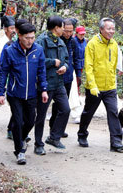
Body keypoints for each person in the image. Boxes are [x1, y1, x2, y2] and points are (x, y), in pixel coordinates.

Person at [0, 22, 49, 165]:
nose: (30, 41)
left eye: (32, 38)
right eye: (27, 38)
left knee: (31, 120)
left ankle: (20, 137)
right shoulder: (10, 50)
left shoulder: (38, 50)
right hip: (15, 94)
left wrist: (44, 89)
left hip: (32, 93)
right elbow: (3, 72)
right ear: (19, 36)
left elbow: (41, 71)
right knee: (18, 121)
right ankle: (20, 151)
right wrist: (1, 92)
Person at [77, 18, 123, 153]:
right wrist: (92, 85)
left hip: (110, 86)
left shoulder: (114, 44)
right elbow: (89, 66)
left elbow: (115, 63)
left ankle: (116, 142)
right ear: (101, 29)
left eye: (113, 29)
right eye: (108, 28)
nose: (111, 31)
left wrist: (116, 77)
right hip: (95, 87)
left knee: (113, 113)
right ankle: (82, 134)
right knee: (88, 112)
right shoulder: (92, 44)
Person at [33, 16, 71, 155]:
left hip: (59, 82)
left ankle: (54, 137)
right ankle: (38, 144)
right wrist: (51, 62)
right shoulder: (41, 41)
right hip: (45, 83)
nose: (64, 29)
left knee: (65, 109)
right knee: (41, 115)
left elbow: (66, 59)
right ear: (56, 28)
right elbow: (36, 61)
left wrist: (65, 67)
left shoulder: (61, 41)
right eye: (62, 27)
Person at [74, 25, 87, 93]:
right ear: (76, 33)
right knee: (76, 80)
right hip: (74, 64)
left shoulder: (84, 41)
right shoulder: (74, 41)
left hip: (81, 64)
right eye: (80, 34)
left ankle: (77, 94)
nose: (82, 35)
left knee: (79, 81)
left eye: (83, 34)